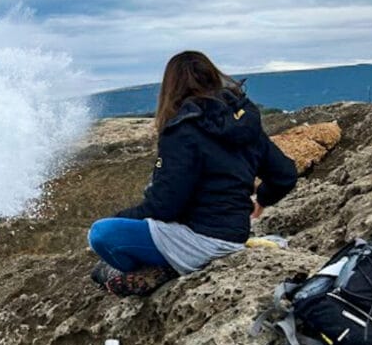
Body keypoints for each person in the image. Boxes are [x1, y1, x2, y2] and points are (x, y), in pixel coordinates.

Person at [88, 51, 298, 296]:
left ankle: (160, 268)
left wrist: (123, 218)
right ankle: (164, 263)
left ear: (170, 88)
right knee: (105, 260)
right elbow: (285, 175)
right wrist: (262, 199)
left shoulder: (182, 131)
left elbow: (165, 206)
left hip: (198, 240)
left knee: (102, 234)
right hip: (234, 236)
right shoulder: (244, 124)